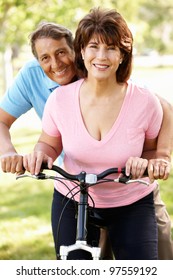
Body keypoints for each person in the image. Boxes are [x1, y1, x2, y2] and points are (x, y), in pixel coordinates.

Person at [0, 21, 172, 259]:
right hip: (76, 191)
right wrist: (23, 154)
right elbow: (47, 142)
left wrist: (160, 158)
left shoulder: (128, 89)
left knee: (156, 259)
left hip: (130, 193)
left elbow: (165, 111)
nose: (56, 64)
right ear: (83, 50)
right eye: (45, 58)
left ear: (74, 51)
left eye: (61, 52)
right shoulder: (46, 87)